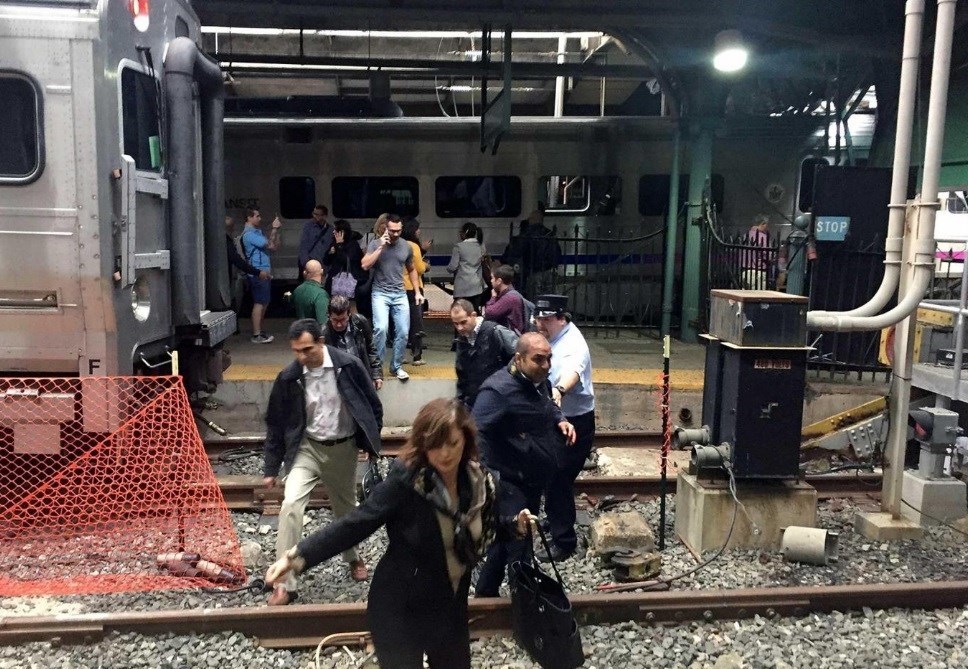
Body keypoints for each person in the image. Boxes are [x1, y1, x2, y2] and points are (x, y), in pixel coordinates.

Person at [265, 398, 537, 669]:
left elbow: (481, 529)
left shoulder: (479, 483)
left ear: (465, 440)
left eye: (452, 443)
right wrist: (297, 556)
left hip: (448, 608)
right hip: (399, 607)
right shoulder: (408, 480)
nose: (445, 453)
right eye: (435, 445)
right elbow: (358, 522)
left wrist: (514, 526)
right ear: (423, 444)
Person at [262, 318, 384, 605]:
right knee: (290, 505)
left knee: (346, 510)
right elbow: (275, 423)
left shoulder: (349, 366)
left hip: (343, 449)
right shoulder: (289, 377)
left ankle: (352, 557)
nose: (302, 356)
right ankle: (285, 583)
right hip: (307, 449)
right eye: (296, 351)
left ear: (320, 341)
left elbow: (372, 407)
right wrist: (271, 467)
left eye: (307, 349)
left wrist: (369, 442)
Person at [472, 332, 576, 597]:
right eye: (538, 359)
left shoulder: (538, 381)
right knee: (520, 543)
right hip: (509, 480)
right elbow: (475, 432)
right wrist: (488, 475)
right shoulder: (497, 391)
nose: (546, 365)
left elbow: (548, 406)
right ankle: (524, 602)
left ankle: (485, 594)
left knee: (504, 540)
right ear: (518, 359)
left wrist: (561, 420)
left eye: (549, 359)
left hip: (531, 477)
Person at [533, 294, 596, 563]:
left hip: (574, 422)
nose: (540, 324)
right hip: (558, 418)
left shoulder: (573, 345)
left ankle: (564, 541)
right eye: (538, 319)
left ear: (561, 318)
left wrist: (559, 390)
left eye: (546, 320)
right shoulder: (554, 336)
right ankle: (556, 517)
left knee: (558, 478)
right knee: (553, 476)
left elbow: (573, 371)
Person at [362, 214, 425, 381]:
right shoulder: (375, 243)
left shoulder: (406, 246)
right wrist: (380, 247)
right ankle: (377, 367)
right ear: (386, 229)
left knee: (403, 332)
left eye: (398, 231)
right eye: (392, 231)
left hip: (400, 293)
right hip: (380, 293)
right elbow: (365, 264)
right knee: (381, 329)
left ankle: (396, 366)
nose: (395, 234)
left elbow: (412, 269)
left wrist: (417, 292)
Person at [450, 299, 517, 409]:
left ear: (473, 315)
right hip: (474, 400)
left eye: (463, 322)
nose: (459, 328)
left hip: (498, 398)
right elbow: (462, 375)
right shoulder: (462, 340)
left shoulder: (496, 331)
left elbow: (518, 357)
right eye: (455, 324)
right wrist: (460, 402)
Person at [321, 295, 384, 391]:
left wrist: (376, 374)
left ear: (349, 314)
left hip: (362, 376)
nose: (339, 324)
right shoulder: (324, 334)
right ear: (329, 315)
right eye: (335, 320)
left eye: (343, 319)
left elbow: (371, 348)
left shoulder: (360, 322)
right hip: (340, 382)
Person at [240, 207, 282, 344]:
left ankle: (259, 330)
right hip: (257, 272)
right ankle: (256, 334)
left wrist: (276, 232)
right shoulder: (249, 235)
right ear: (249, 218)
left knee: (264, 301)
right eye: (257, 216)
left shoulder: (256, 233)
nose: (260, 218)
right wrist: (274, 229)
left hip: (263, 271)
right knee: (259, 302)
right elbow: (268, 244)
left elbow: (273, 247)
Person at [225, 215, 270, 316]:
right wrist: (257, 272)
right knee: (258, 302)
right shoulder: (232, 240)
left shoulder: (228, 240)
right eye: (257, 216)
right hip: (236, 276)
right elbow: (237, 260)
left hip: (238, 274)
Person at [402, 217, 429, 366]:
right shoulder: (413, 246)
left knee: (400, 323)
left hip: (398, 288)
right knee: (416, 322)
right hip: (413, 288)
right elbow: (419, 268)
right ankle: (417, 356)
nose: (419, 231)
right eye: (417, 228)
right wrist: (426, 266)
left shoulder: (397, 244)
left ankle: (400, 355)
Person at [326, 219, 366, 311]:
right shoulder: (333, 243)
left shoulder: (353, 244)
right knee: (334, 307)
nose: (333, 232)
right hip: (334, 280)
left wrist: (339, 246)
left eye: (335, 230)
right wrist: (330, 253)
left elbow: (346, 260)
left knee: (351, 306)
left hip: (350, 280)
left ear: (342, 232)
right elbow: (326, 261)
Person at [447, 221, 487, 312]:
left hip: (462, 286)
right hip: (477, 286)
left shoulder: (459, 247)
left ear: (465, 233)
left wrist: (448, 269)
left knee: (460, 312)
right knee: (474, 312)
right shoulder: (481, 246)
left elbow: (453, 266)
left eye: (461, 232)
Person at [483, 263, 525, 334]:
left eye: (492, 278)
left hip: (511, 337)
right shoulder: (509, 294)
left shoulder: (509, 298)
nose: (491, 281)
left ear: (499, 281)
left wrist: (493, 297)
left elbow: (489, 313)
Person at [297, 204, 333, 274]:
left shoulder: (330, 229)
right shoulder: (308, 227)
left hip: (324, 266)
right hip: (311, 264)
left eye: (317, 215)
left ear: (324, 216)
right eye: (314, 214)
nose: (314, 216)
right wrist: (306, 263)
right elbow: (303, 246)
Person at [742, 214, 771, 290]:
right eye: (766, 224)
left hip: (745, 270)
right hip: (758, 271)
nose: (767, 227)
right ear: (763, 224)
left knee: (745, 295)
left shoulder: (746, 235)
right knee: (758, 295)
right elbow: (768, 255)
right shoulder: (763, 237)